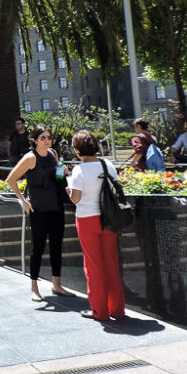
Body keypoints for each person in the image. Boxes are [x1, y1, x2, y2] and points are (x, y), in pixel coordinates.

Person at [6, 126, 73, 302]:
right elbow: (11, 180)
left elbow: (57, 178)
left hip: (55, 205)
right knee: (38, 247)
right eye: (42, 137)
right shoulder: (29, 158)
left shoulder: (53, 154)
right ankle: (34, 287)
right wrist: (23, 200)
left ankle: (56, 284)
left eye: (48, 137)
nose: (46, 140)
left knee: (57, 245)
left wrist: (63, 171)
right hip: (38, 207)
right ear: (34, 140)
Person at [68, 130, 126, 321]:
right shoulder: (107, 164)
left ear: (77, 151)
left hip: (87, 220)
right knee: (111, 263)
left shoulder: (79, 170)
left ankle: (99, 311)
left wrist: (69, 190)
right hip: (109, 218)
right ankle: (117, 309)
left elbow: (75, 200)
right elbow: (116, 188)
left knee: (93, 266)